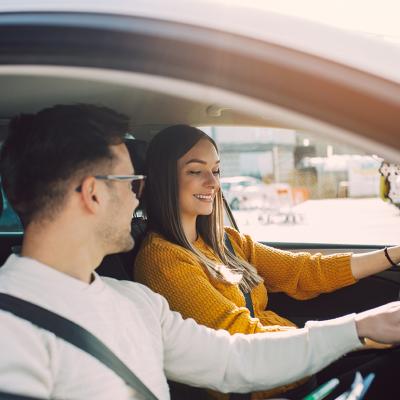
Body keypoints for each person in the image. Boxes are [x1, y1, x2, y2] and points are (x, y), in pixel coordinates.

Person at [0, 107, 399, 400]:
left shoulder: (137, 303)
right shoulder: (11, 329)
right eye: (131, 182)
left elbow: (233, 359)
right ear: (93, 192)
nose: (139, 197)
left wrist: (360, 328)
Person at [134, 124, 400, 399]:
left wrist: (394, 254)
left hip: (297, 373)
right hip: (265, 391)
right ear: (164, 178)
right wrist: (357, 335)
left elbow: (303, 272)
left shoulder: (226, 241)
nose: (213, 183)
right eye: (195, 171)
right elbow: (243, 343)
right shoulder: (163, 260)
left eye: (215, 170)